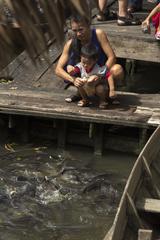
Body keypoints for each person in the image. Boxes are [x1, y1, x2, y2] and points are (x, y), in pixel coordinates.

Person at [55, 14, 123, 104]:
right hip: (84, 76)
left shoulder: (99, 34)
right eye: (75, 31)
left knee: (117, 69)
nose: (78, 34)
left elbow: (112, 57)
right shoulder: (70, 44)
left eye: (81, 29)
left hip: (100, 72)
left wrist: (99, 75)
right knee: (70, 69)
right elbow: (58, 70)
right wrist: (73, 80)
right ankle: (82, 93)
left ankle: (107, 93)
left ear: (88, 25)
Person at [66, 43, 115, 108]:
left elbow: (109, 75)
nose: (85, 65)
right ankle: (85, 99)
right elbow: (74, 72)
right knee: (78, 83)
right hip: (87, 87)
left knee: (100, 88)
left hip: (97, 88)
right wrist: (71, 70)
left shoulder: (99, 68)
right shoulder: (80, 66)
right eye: (83, 62)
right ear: (80, 58)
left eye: (88, 63)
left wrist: (112, 90)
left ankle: (102, 100)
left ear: (95, 60)